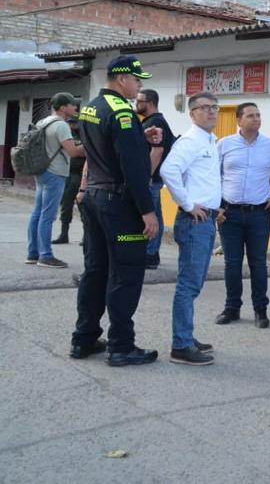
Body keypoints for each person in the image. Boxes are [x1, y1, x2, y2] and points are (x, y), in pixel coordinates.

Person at [70, 55, 163, 366]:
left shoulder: (92, 106)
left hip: (94, 197)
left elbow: (101, 146)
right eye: (137, 80)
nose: (139, 87)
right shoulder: (122, 111)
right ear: (122, 79)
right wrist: (147, 210)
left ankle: (83, 339)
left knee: (95, 271)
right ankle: (121, 346)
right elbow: (133, 168)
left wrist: (139, 136)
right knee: (126, 274)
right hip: (118, 205)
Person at [214, 102, 270, 329]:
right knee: (232, 263)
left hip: (259, 214)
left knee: (258, 263)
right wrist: (217, 207)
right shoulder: (224, 144)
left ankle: (260, 310)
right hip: (229, 214)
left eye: (258, 115)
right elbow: (213, 176)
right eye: (251, 115)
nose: (256, 119)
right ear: (239, 120)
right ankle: (232, 308)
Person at [161, 92, 222, 366]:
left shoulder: (209, 140)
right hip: (194, 221)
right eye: (204, 108)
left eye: (214, 107)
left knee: (194, 283)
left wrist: (215, 207)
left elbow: (204, 180)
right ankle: (181, 345)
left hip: (207, 219)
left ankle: (186, 335)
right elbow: (168, 171)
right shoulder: (190, 141)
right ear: (192, 113)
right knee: (188, 283)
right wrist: (188, 204)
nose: (211, 112)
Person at [26, 92, 85, 268]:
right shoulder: (61, 125)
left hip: (42, 171)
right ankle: (45, 255)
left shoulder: (43, 122)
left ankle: (33, 253)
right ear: (63, 107)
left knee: (37, 213)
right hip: (55, 173)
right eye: (72, 104)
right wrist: (92, 145)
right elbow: (73, 152)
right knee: (48, 215)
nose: (75, 107)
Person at [136, 88, 175, 269]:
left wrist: (146, 177)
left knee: (150, 218)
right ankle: (151, 254)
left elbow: (157, 151)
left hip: (151, 179)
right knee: (155, 217)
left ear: (150, 103)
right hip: (154, 178)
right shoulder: (152, 121)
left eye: (140, 101)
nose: (136, 104)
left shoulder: (155, 123)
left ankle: (149, 254)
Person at [52, 115, 86, 246]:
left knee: (83, 207)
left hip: (82, 175)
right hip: (69, 175)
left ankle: (86, 236)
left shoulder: (85, 135)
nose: (72, 125)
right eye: (70, 123)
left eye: (74, 123)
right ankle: (64, 234)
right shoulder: (66, 136)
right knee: (66, 206)